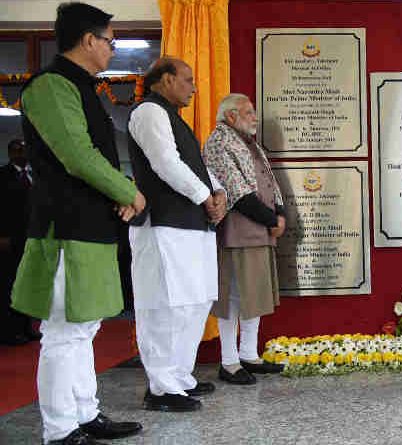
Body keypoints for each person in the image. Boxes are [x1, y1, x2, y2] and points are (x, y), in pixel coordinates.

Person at [11, 3, 146, 444]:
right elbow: (77, 155)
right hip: (65, 227)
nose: (112, 49)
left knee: (85, 326)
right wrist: (129, 192)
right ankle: (59, 428)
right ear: (88, 40)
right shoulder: (50, 85)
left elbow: (96, 159)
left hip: (91, 225)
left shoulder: (84, 86)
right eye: (110, 41)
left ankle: (86, 413)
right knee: (64, 332)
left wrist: (120, 197)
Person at [128, 56, 226, 412]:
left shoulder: (174, 117)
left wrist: (218, 194)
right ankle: (161, 387)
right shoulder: (148, 112)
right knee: (167, 306)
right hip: (163, 224)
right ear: (166, 79)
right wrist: (205, 197)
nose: (193, 87)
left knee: (194, 302)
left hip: (192, 223)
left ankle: (181, 376)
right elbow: (165, 163)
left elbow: (195, 166)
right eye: (187, 79)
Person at [203, 94, 286, 385]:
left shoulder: (249, 142)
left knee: (255, 293)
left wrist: (281, 211)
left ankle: (249, 354)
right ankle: (229, 362)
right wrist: (271, 219)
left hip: (259, 229)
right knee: (233, 296)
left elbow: (270, 182)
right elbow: (236, 191)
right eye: (248, 112)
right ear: (230, 116)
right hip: (237, 229)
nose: (254, 116)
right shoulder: (219, 141)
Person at [0, 139, 41, 346]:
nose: (21, 154)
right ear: (10, 153)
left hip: (32, 237)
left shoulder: (35, 175)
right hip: (11, 238)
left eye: (24, 150)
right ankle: (10, 330)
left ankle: (27, 328)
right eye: (17, 150)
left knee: (28, 282)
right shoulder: (3, 176)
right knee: (10, 284)